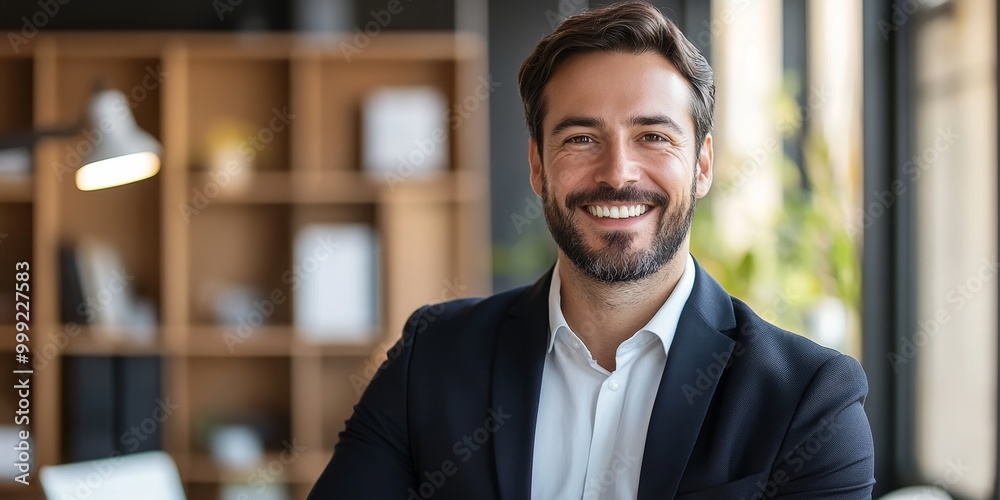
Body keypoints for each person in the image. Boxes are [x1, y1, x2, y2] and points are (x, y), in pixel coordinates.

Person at [308, 2, 875, 499]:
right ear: (537, 166)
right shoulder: (429, 359)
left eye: (653, 136)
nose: (618, 173)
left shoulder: (807, 399)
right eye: (581, 139)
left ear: (702, 165)